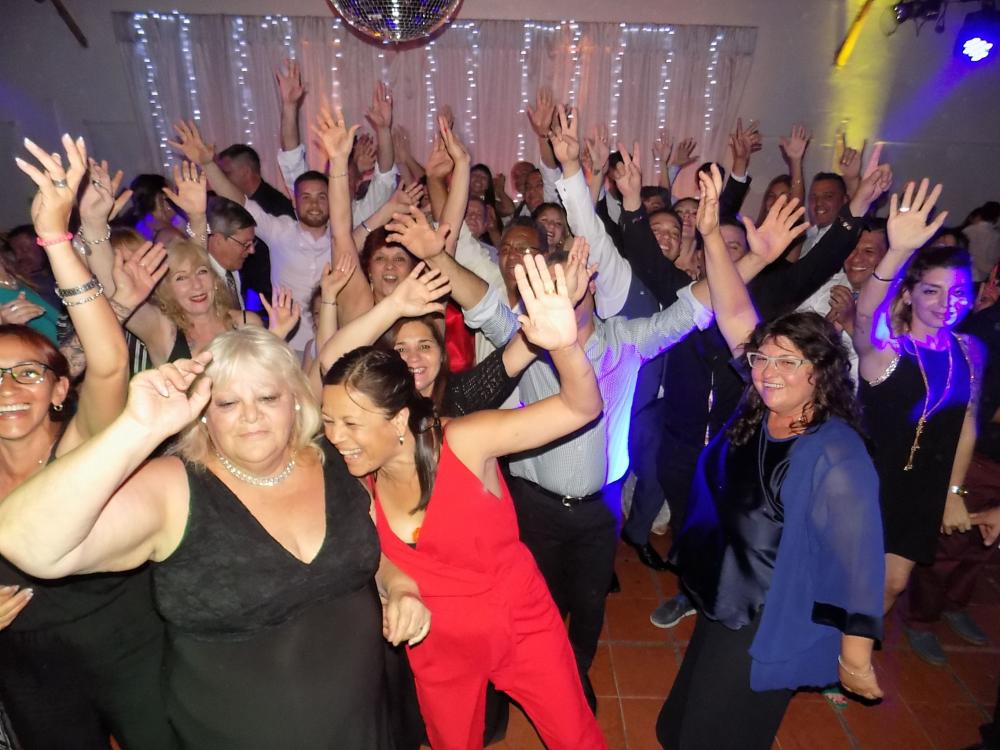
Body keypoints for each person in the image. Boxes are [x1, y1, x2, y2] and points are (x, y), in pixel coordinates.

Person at [0, 322, 430, 750]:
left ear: (296, 402)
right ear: (204, 412)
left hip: (363, 721)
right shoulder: (173, 488)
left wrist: (399, 585)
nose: (251, 416)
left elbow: (364, 551)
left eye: (267, 397)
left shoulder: (332, 458)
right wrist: (136, 428)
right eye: (227, 402)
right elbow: (27, 543)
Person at [323, 253, 606, 750]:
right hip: (438, 643)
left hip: (521, 624)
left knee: (575, 738)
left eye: (350, 424)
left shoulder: (464, 441)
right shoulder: (360, 476)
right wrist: (398, 588)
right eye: (329, 422)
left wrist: (564, 347)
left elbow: (581, 407)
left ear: (396, 421)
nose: (336, 437)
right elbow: (378, 554)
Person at [657, 168, 884, 750]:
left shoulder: (835, 451)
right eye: (763, 358)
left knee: (715, 734)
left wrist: (855, 656)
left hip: (766, 616)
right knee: (681, 723)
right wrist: (711, 234)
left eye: (789, 362)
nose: (768, 372)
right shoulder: (759, 403)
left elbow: (857, 562)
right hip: (723, 594)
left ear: (821, 372)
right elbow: (734, 310)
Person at [1, 135, 175, 749]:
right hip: (28, 668)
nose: (8, 390)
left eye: (27, 373)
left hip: (127, 643)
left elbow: (108, 361)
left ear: (58, 389)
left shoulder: (80, 443)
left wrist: (56, 238)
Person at [853, 180, 983, 666]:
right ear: (908, 295)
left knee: (892, 583)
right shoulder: (886, 350)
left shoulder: (969, 351)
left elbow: (966, 424)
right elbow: (864, 315)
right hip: (868, 482)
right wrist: (897, 251)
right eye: (932, 290)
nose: (946, 302)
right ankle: (828, 651)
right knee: (848, 578)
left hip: (922, 490)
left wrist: (954, 492)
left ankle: (852, 654)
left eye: (958, 292)